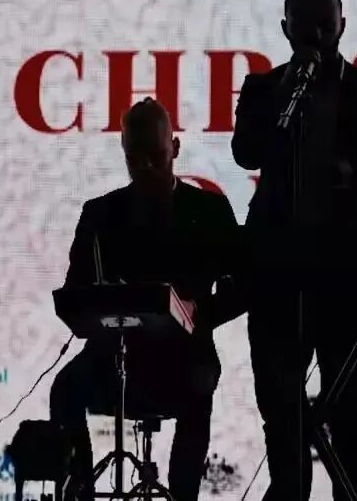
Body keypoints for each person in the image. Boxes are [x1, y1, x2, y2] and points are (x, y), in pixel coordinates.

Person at [231, 0, 357, 501]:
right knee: (279, 403)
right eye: (304, 24)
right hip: (276, 271)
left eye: (325, 23)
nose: (315, 33)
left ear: (343, 25)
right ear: (284, 28)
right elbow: (245, 153)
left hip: (345, 272)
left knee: (347, 403)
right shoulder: (263, 89)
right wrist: (283, 98)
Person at [50, 98, 245, 501]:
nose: (147, 169)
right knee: (64, 389)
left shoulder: (209, 210)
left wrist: (199, 312)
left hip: (185, 356)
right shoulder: (99, 213)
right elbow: (75, 290)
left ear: (175, 147)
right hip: (111, 355)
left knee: (199, 386)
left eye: (156, 157)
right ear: (124, 154)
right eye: (135, 160)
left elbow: (244, 286)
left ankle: (183, 496)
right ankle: (80, 486)